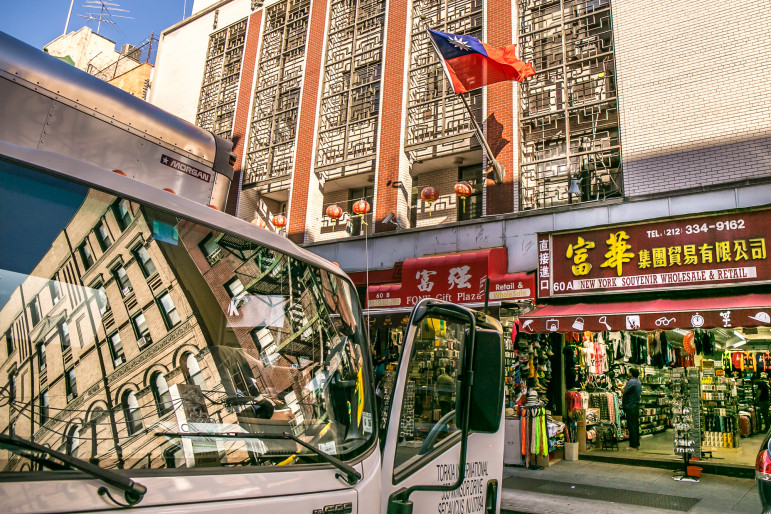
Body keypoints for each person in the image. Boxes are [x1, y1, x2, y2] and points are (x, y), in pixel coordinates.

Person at [621, 368, 642, 450]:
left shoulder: (631, 381)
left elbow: (624, 391)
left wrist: (621, 387)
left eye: (629, 372)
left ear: (632, 373)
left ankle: (632, 445)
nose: (628, 373)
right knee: (635, 425)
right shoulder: (638, 381)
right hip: (635, 406)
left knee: (631, 426)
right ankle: (637, 444)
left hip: (630, 406)